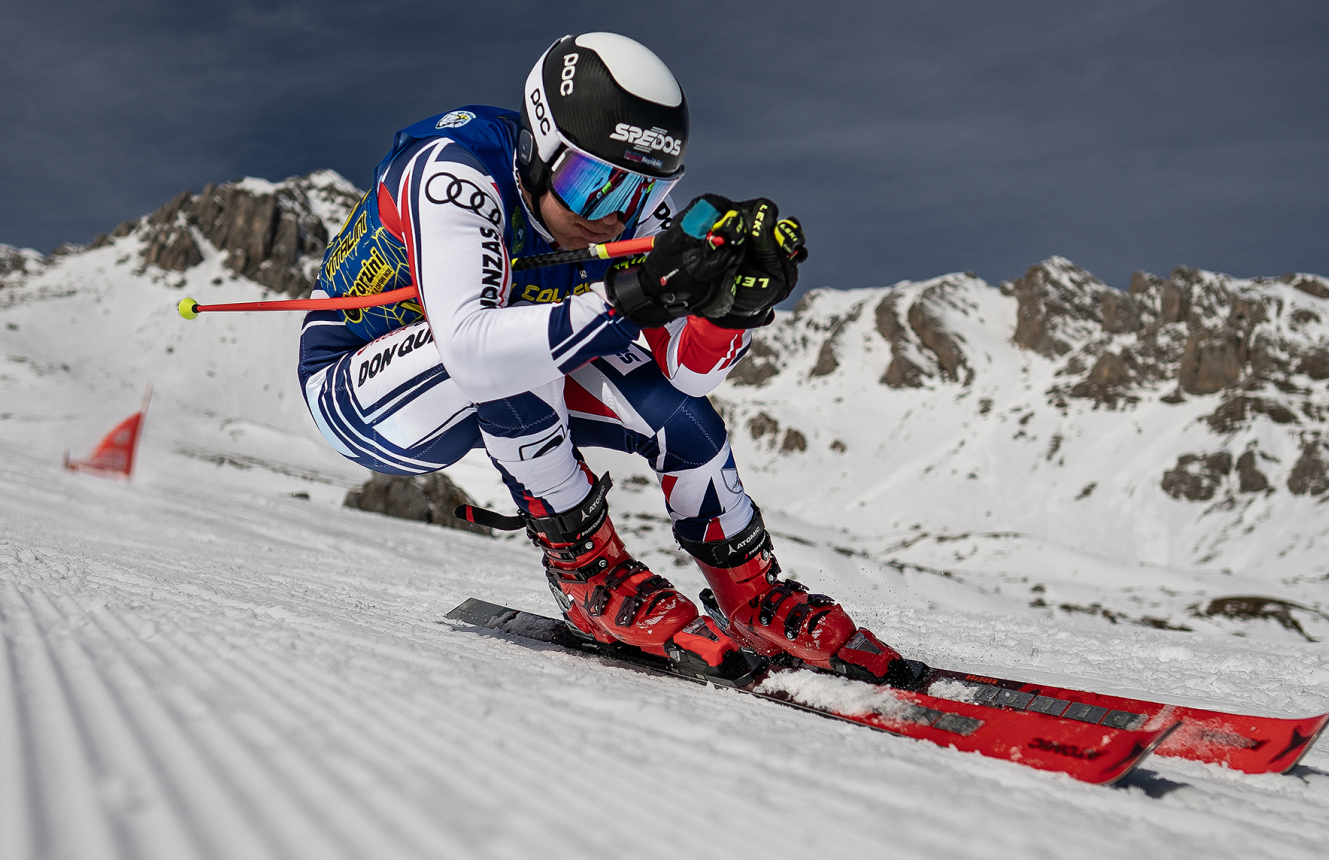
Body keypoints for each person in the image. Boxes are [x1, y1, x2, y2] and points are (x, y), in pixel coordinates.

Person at [298, 32, 919, 688]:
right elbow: (472, 348)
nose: (610, 217)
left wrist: (723, 312)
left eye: (634, 193)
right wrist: (637, 296)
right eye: (590, 183)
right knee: (513, 358)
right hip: (359, 390)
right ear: (537, 148)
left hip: (505, 364)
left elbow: (686, 372)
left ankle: (751, 596)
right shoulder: (455, 171)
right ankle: (584, 574)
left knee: (678, 417)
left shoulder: (633, 214)